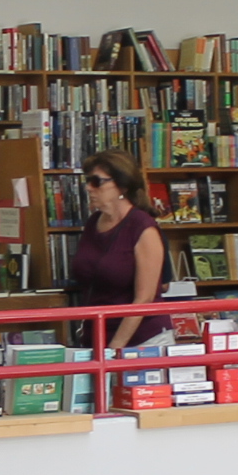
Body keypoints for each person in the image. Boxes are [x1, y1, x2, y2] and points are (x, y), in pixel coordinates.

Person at [67, 150, 166, 349]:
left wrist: (115, 348)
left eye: (97, 181)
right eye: (87, 181)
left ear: (122, 185)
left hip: (140, 340)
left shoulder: (143, 227)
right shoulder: (93, 222)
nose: (88, 188)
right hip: (96, 335)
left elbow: (144, 298)